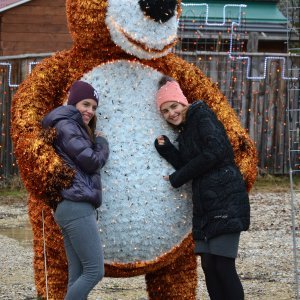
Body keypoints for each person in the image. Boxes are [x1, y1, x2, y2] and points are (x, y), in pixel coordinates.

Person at [154, 76, 250, 300]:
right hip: (206, 203)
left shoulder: (201, 115)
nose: (171, 113)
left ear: (183, 102)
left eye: (174, 106)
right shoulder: (185, 131)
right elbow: (191, 165)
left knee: (223, 265)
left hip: (225, 197)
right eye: (165, 111)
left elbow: (214, 152)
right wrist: (168, 150)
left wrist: (177, 177)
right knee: (209, 265)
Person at [42, 80, 109, 300]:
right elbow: (90, 161)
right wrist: (101, 143)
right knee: (94, 271)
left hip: (70, 204)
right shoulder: (66, 125)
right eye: (86, 104)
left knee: (78, 274)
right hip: (76, 203)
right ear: (73, 103)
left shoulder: (68, 125)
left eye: (94, 107)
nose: (90, 111)